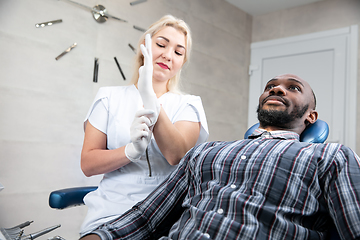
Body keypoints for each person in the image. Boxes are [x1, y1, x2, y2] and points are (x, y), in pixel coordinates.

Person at [81, 74, 360, 240]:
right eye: (271, 86)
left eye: (293, 88)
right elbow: (146, 218)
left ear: (311, 117)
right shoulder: (206, 151)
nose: (277, 89)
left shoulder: (330, 156)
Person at [79, 15, 209, 237]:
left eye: (178, 52)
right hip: (112, 209)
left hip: (168, 209)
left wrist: (150, 99)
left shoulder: (189, 104)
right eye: (161, 44)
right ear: (144, 46)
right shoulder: (109, 98)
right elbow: (88, 164)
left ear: (181, 63)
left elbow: (176, 155)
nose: (168, 55)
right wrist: (130, 152)